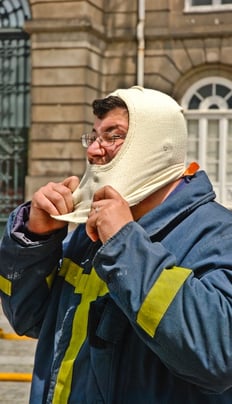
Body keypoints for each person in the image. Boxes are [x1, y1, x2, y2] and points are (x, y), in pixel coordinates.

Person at [0, 86, 232, 404]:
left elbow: (218, 358)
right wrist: (34, 238)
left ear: (156, 146)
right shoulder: (87, 231)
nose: (94, 150)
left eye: (113, 136)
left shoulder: (219, 233)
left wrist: (125, 244)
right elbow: (29, 320)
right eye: (93, 136)